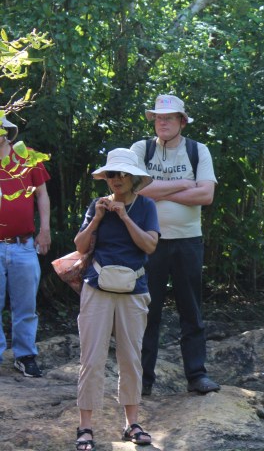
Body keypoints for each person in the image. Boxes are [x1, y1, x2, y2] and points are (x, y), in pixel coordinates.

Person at [130, 95, 220, 395]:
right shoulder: (140, 149)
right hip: (146, 242)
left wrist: (156, 191)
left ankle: (197, 375)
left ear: (182, 120)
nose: (163, 122)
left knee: (191, 309)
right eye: (158, 117)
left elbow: (206, 196)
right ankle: (141, 381)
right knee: (145, 311)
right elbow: (134, 191)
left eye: (169, 117)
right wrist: (184, 184)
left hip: (187, 241)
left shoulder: (198, 150)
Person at [73, 148, 159, 451]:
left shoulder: (146, 206)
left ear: (134, 178)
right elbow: (81, 246)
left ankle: (132, 423)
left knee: (131, 358)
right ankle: (85, 426)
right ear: (106, 178)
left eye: (123, 173)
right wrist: (96, 218)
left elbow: (149, 245)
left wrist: (124, 216)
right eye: (112, 174)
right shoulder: (95, 206)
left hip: (133, 289)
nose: (117, 179)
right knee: (91, 358)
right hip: (97, 287)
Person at [0, 115, 51, 378]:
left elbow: (41, 193)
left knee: (26, 304)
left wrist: (45, 230)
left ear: (6, 131)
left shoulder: (28, 156)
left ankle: (25, 355)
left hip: (23, 243)